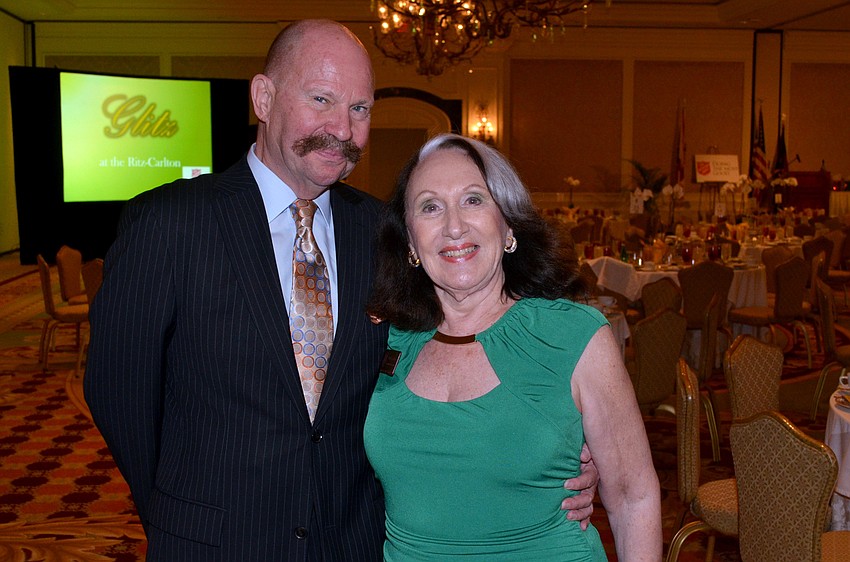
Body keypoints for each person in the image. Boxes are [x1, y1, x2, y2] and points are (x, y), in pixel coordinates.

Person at [83, 20, 598, 562]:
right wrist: (171, 508)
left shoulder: (383, 232)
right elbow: (119, 393)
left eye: (360, 109)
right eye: (322, 99)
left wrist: (562, 451)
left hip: (354, 540)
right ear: (264, 96)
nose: (343, 129)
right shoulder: (171, 224)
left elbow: (457, 348)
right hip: (214, 542)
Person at [363, 133, 661, 560]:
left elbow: (634, 497)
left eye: (473, 200)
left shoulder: (574, 336)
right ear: (410, 242)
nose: (453, 226)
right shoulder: (385, 339)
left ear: (508, 226)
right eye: (430, 207)